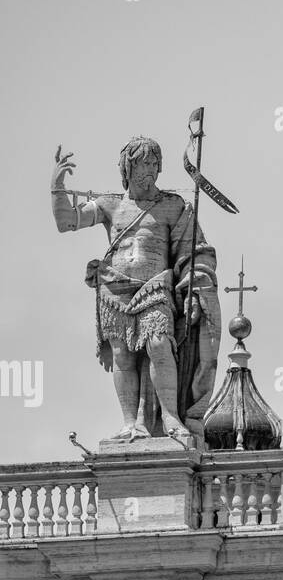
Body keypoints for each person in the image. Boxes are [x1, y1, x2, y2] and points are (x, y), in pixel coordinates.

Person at [51, 137, 221, 442]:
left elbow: (195, 250)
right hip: (114, 290)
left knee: (159, 345)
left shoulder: (173, 206)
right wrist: (56, 185)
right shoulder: (110, 204)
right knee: (122, 357)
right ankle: (130, 422)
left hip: (155, 288)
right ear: (128, 166)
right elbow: (66, 222)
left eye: (155, 164)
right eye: (145, 163)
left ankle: (170, 417)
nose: (151, 170)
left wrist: (195, 286)